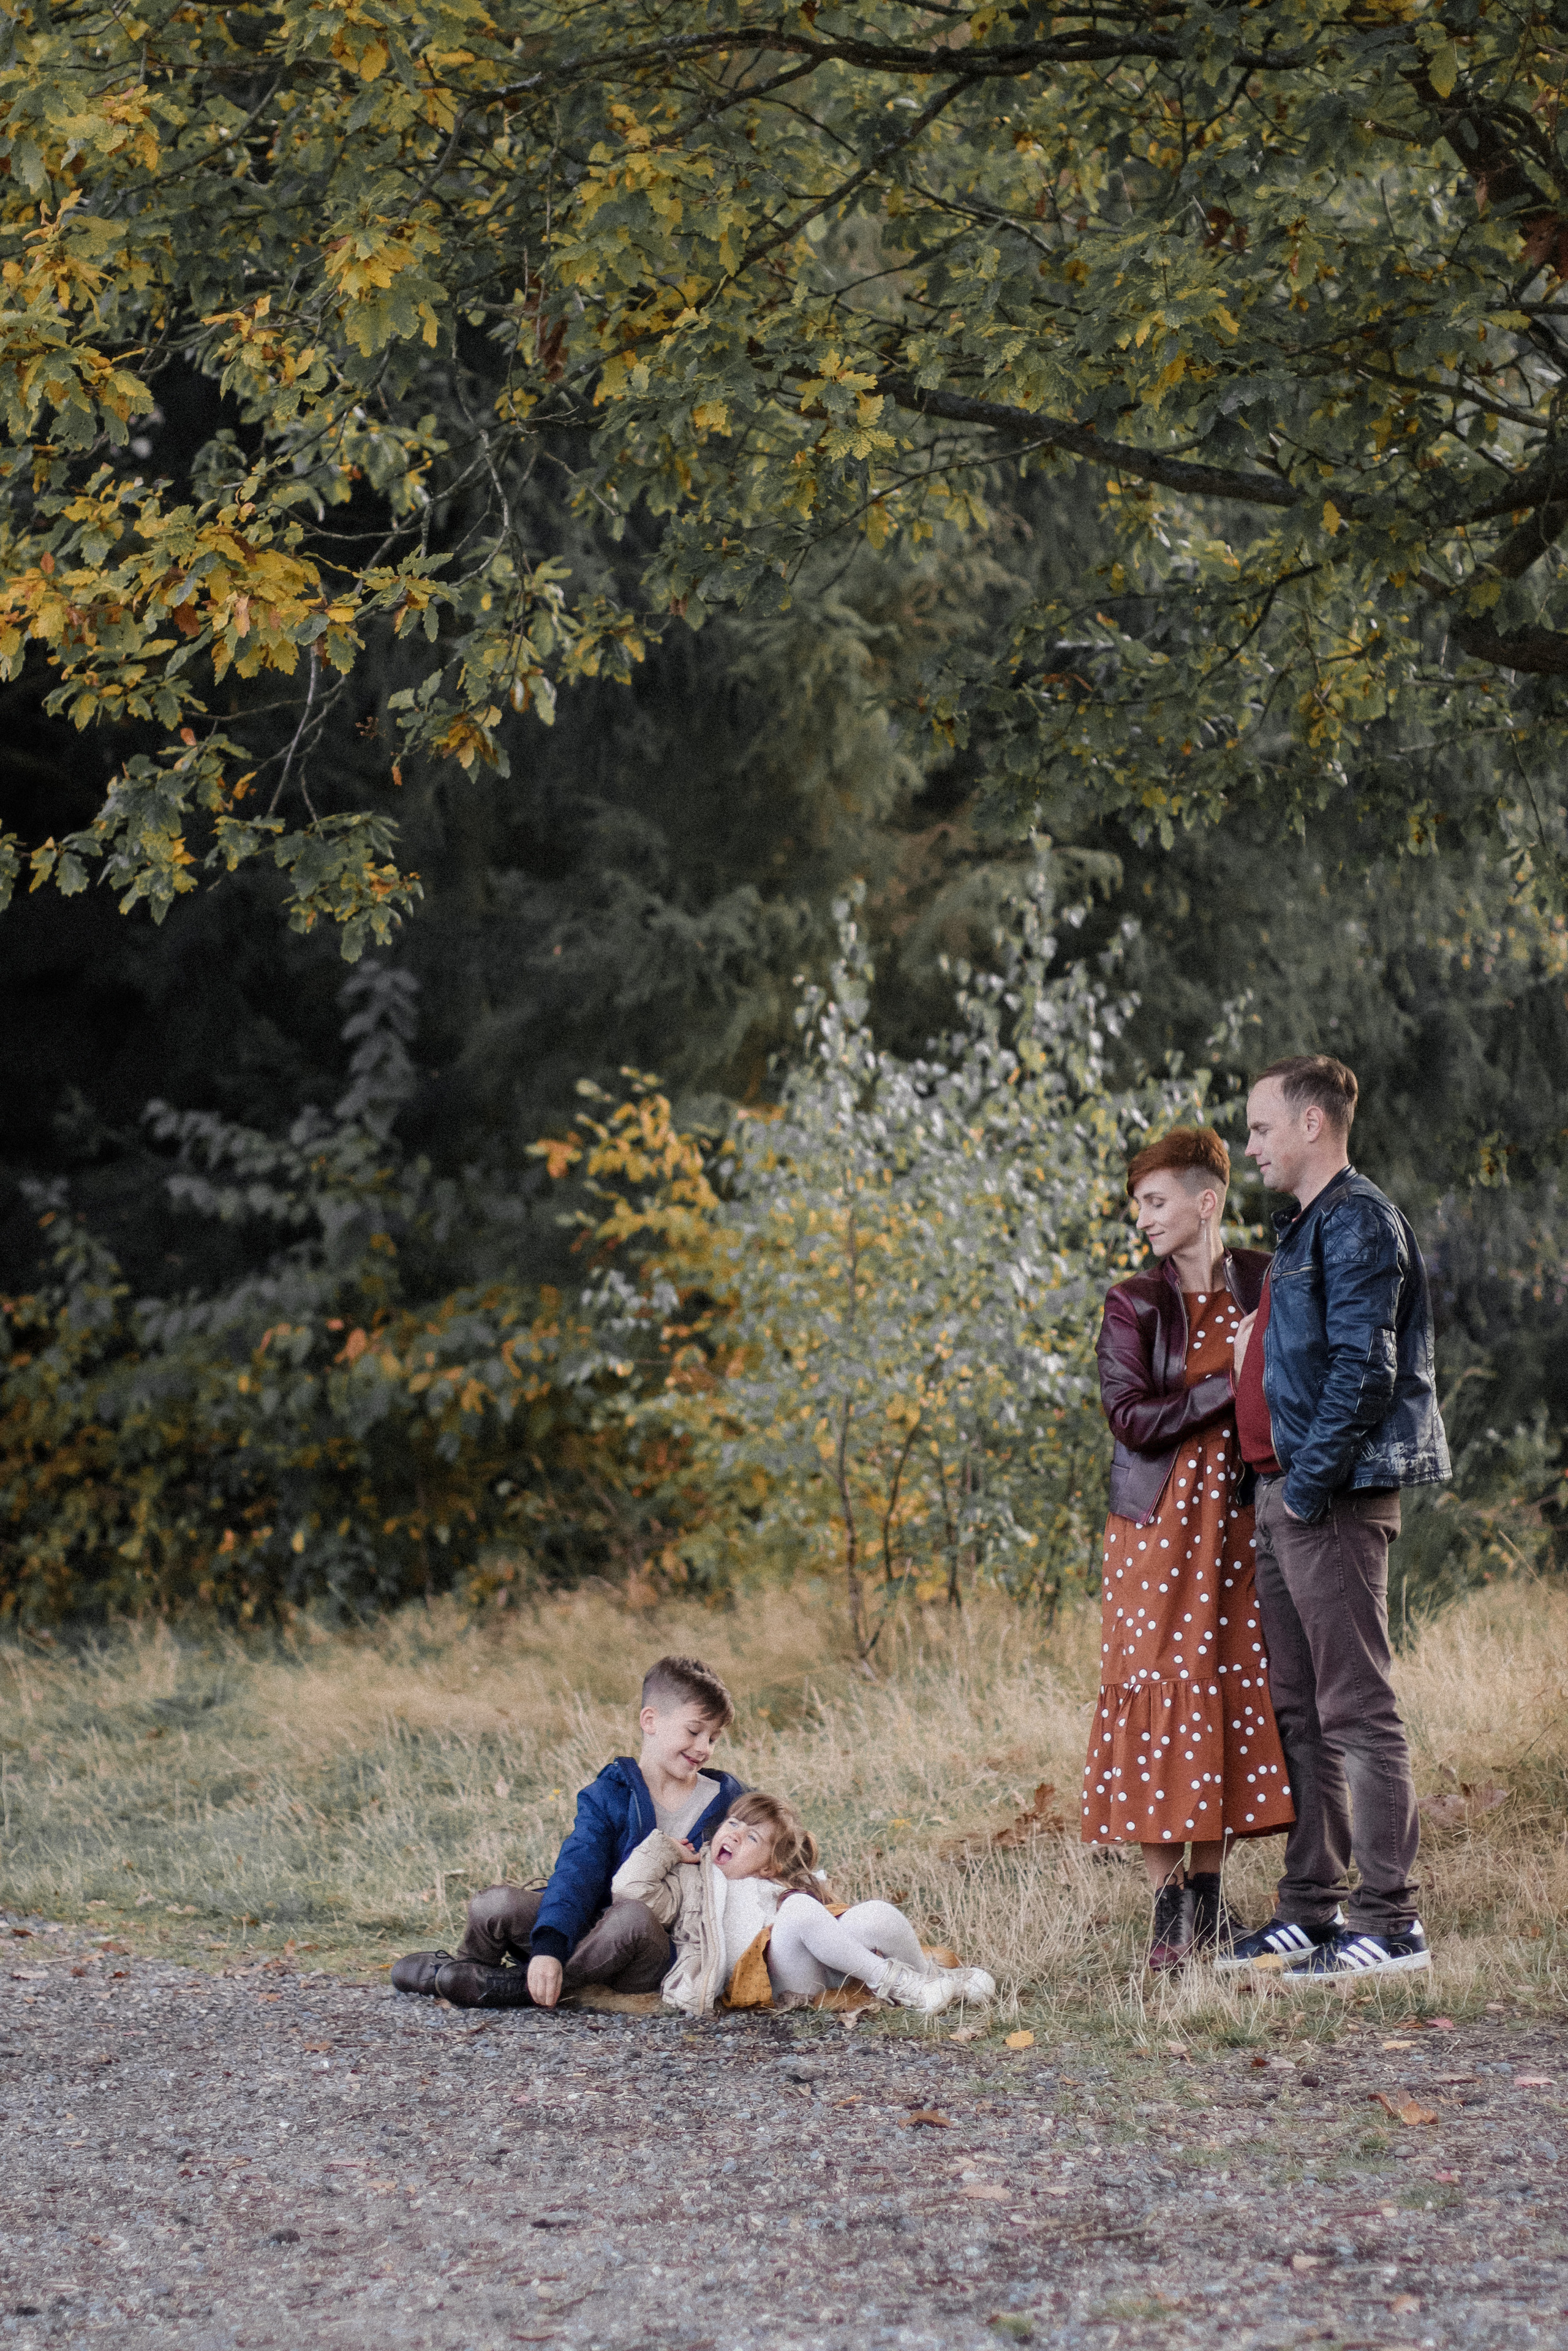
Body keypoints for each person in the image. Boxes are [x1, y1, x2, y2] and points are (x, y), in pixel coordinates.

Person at [1220, 1055, 1450, 1983]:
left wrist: (1308, 1488)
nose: (1251, 1145)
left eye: (1262, 1126)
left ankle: (1391, 1923)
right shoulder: (1305, 1231)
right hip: (1285, 1495)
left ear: (1314, 1124)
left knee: (1358, 1708)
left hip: (1333, 1499)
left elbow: (1366, 1371)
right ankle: (1313, 1908)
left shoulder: (1357, 1221)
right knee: (1302, 1715)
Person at [1081, 1126, 1294, 1972]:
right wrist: (1225, 1379)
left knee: (1228, 1689)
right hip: (1159, 1526)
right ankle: (1167, 1910)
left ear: (1206, 1201)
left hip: (1241, 1517)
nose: (1144, 1217)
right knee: (1161, 1690)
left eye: (1157, 1200)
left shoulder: (1259, 1278)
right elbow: (1130, 1416)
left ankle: (1209, 1901)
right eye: (1139, 1203)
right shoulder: (1132, 1302)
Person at [391, 1653, 746, 2009]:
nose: (704, 1748)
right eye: (694, 1731)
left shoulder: (729, 1804)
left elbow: (773, 1857)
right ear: (650, 1721)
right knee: (494, 1904)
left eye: (714, 1738)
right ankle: (463, 1975)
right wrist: (548, 1947)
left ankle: (511, 1987)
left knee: (633, 1915)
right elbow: (578, 1872)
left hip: (654, 1949)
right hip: (592, 1927)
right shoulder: (609, 1794)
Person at [612, 1789, 996, 2015]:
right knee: (797, 1911)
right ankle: (897, 1981)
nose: (735, 1835)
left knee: (874, 1913)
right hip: (775, 1981)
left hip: (827, 1966)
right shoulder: (695, 1882)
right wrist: (665, 1850)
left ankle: (927, 1983)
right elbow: (630, 1891)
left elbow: (826, 1928)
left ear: (769, 1867)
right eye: (734, 1824)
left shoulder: (780, 1887)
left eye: (753, 1838)